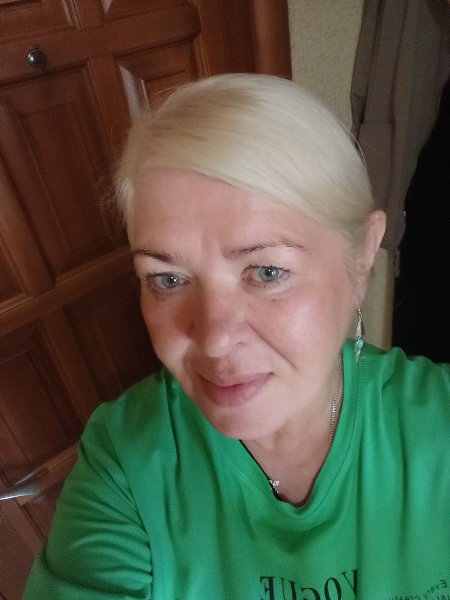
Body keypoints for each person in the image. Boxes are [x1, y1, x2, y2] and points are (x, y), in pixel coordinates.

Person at [24, 74, 450, 600]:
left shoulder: (439, 423)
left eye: (267, 272)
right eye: (168, 279)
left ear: (361, 257)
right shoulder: (126, 462)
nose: (214, 340)